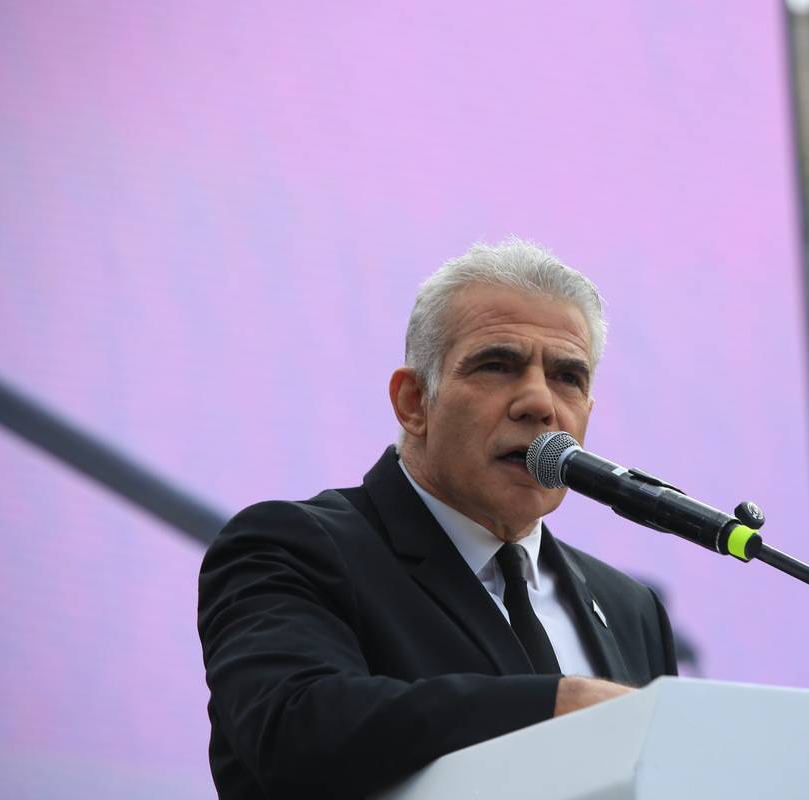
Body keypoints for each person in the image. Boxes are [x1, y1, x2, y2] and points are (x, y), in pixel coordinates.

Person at [198, 238, 677, 798]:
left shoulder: (629, 606)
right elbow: (293, 725)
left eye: (568, 377)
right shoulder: (294, 546)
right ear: (413, 402)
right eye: (498, 366)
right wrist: (557, 704)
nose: (539, 403)